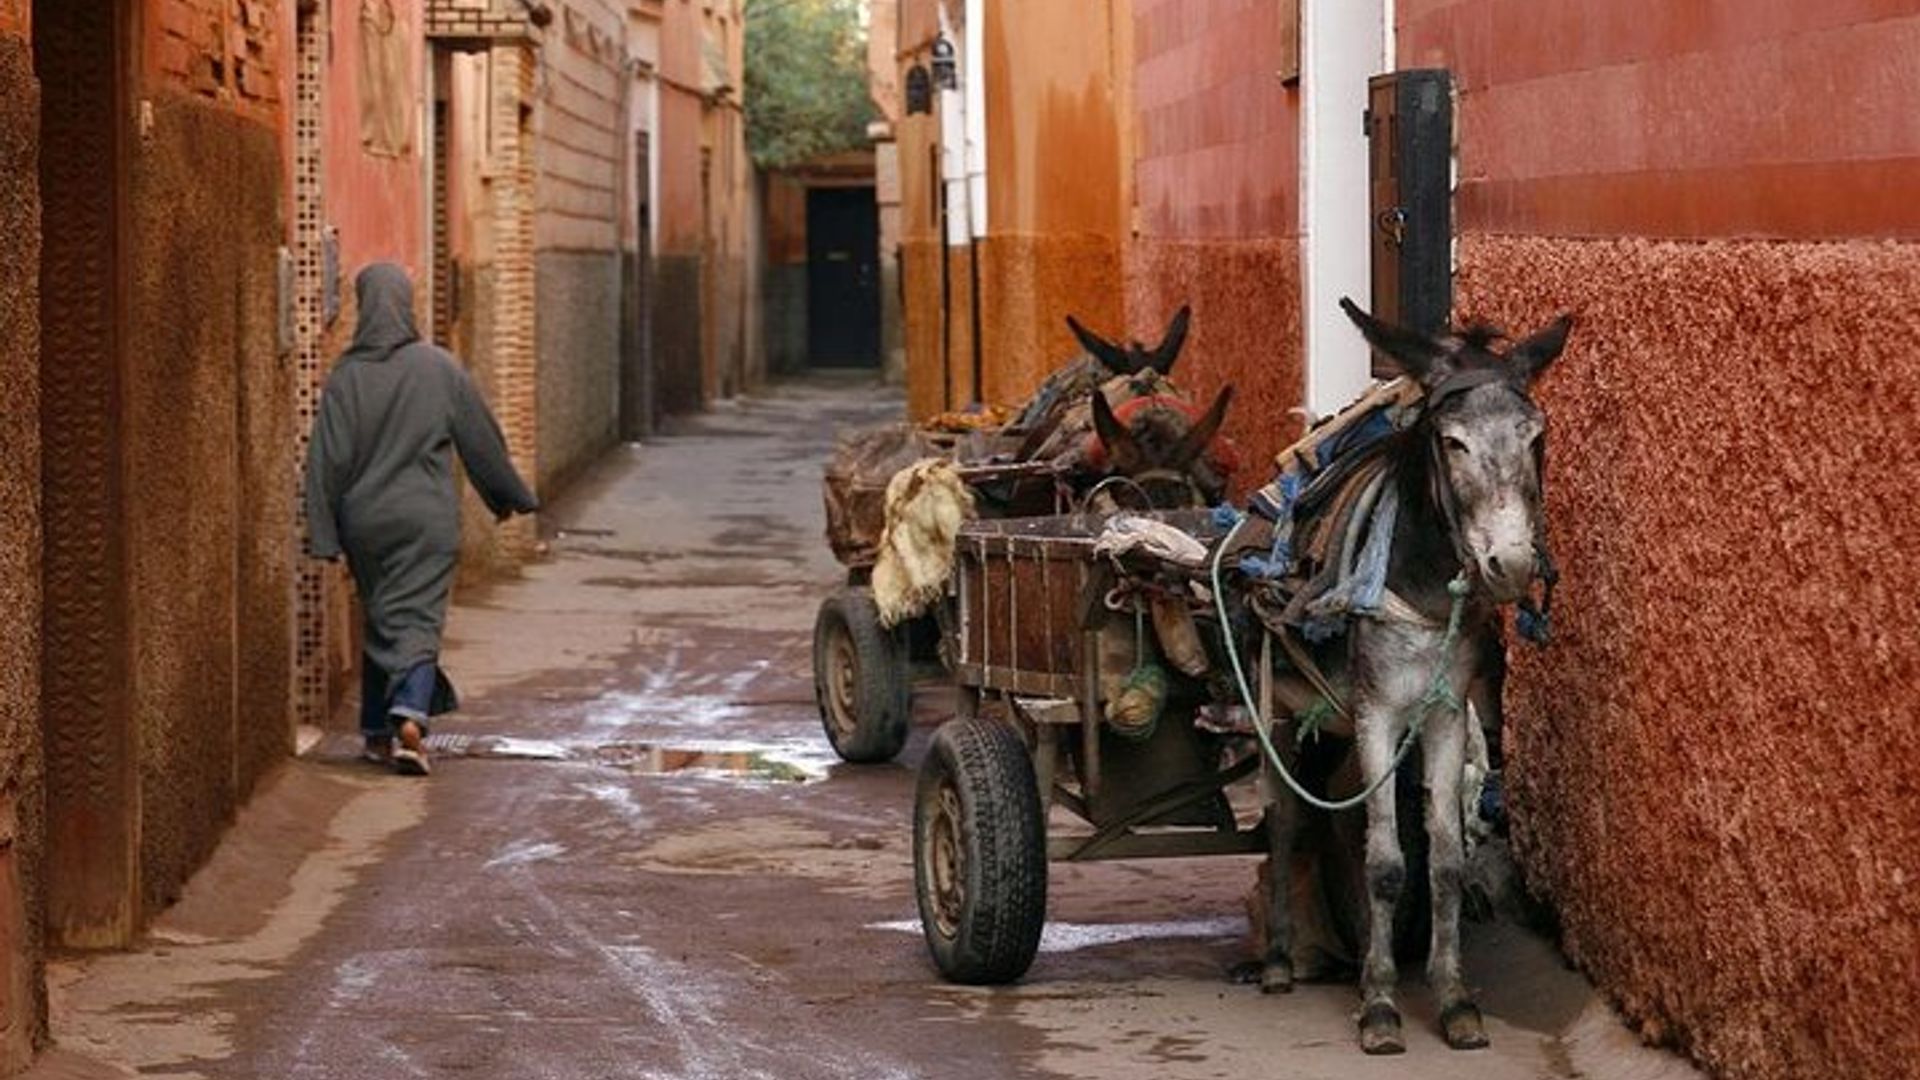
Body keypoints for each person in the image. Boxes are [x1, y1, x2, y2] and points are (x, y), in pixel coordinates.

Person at [304, 263, 538, 775]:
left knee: (381, 613)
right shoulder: (440, 368)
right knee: (417, 620)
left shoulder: (347, 376)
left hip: (365, 523)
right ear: (407, 306)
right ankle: (409, 718)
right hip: (427, 522)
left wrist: (323, 534)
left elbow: (325, 460)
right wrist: (510, 496)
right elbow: (480, 438)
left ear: (365, 307)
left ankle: (375, 732)